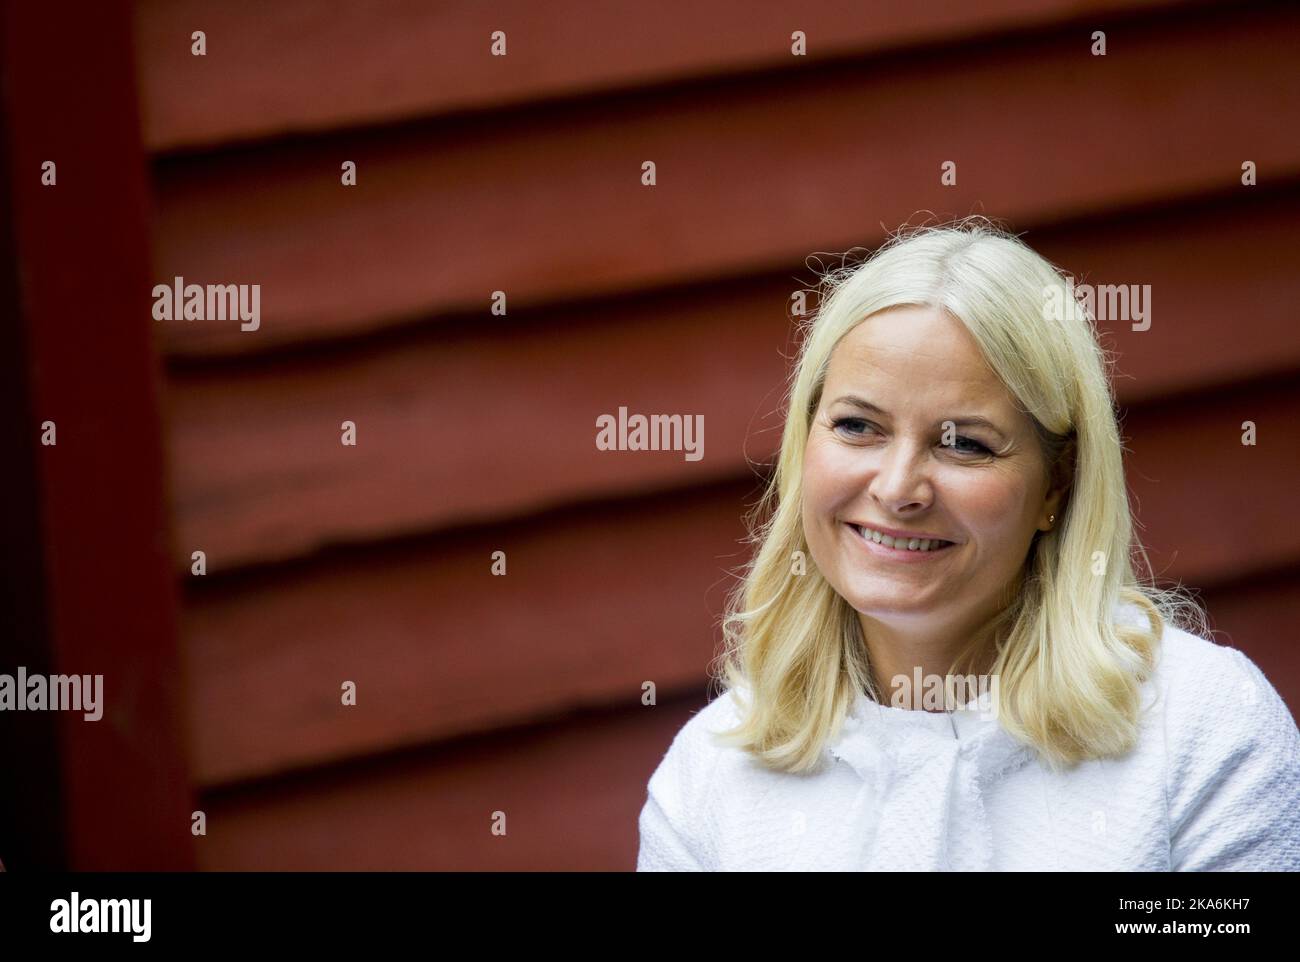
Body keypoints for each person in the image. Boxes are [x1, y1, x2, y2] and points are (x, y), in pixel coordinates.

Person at [636, 216, 1300, 871]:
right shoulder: (711, 778)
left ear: (1055, 485)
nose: (898, 489)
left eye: (966, 443)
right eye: (859, 426)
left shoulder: (1202, 727)